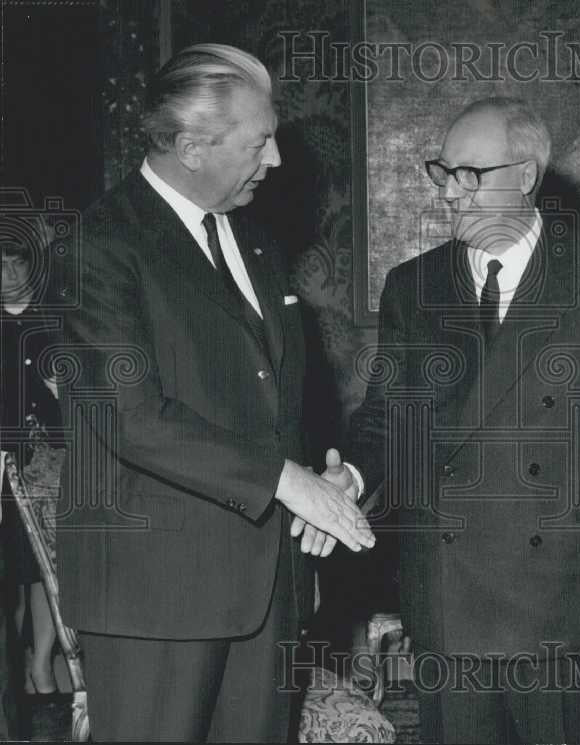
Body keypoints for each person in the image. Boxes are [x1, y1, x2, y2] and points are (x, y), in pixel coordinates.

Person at [50, 44, 373, 742]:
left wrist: (323, 482)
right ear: (192, 148)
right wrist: (285, 481)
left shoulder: (255, 239)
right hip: (154, 597)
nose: (276, 159)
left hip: (267, 591)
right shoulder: (97, 247)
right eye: (258, 143)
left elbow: (272, 397)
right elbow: (134, 418)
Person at [349, 97, 580, 744]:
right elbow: (387, 418)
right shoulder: (412, 286)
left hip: (564, 600)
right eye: (443, 172)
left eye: (470, 175)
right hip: (448, 601)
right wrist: (351, 478)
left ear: (526, 175)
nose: (450, 191)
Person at [1, 237, 62, 706]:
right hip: (5, 466)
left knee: (49, 571)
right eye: (0, 266)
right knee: (12, 577)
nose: (9, 275)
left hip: (53, 464)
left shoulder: (57, 320)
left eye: (16, 264)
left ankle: (41, 664)